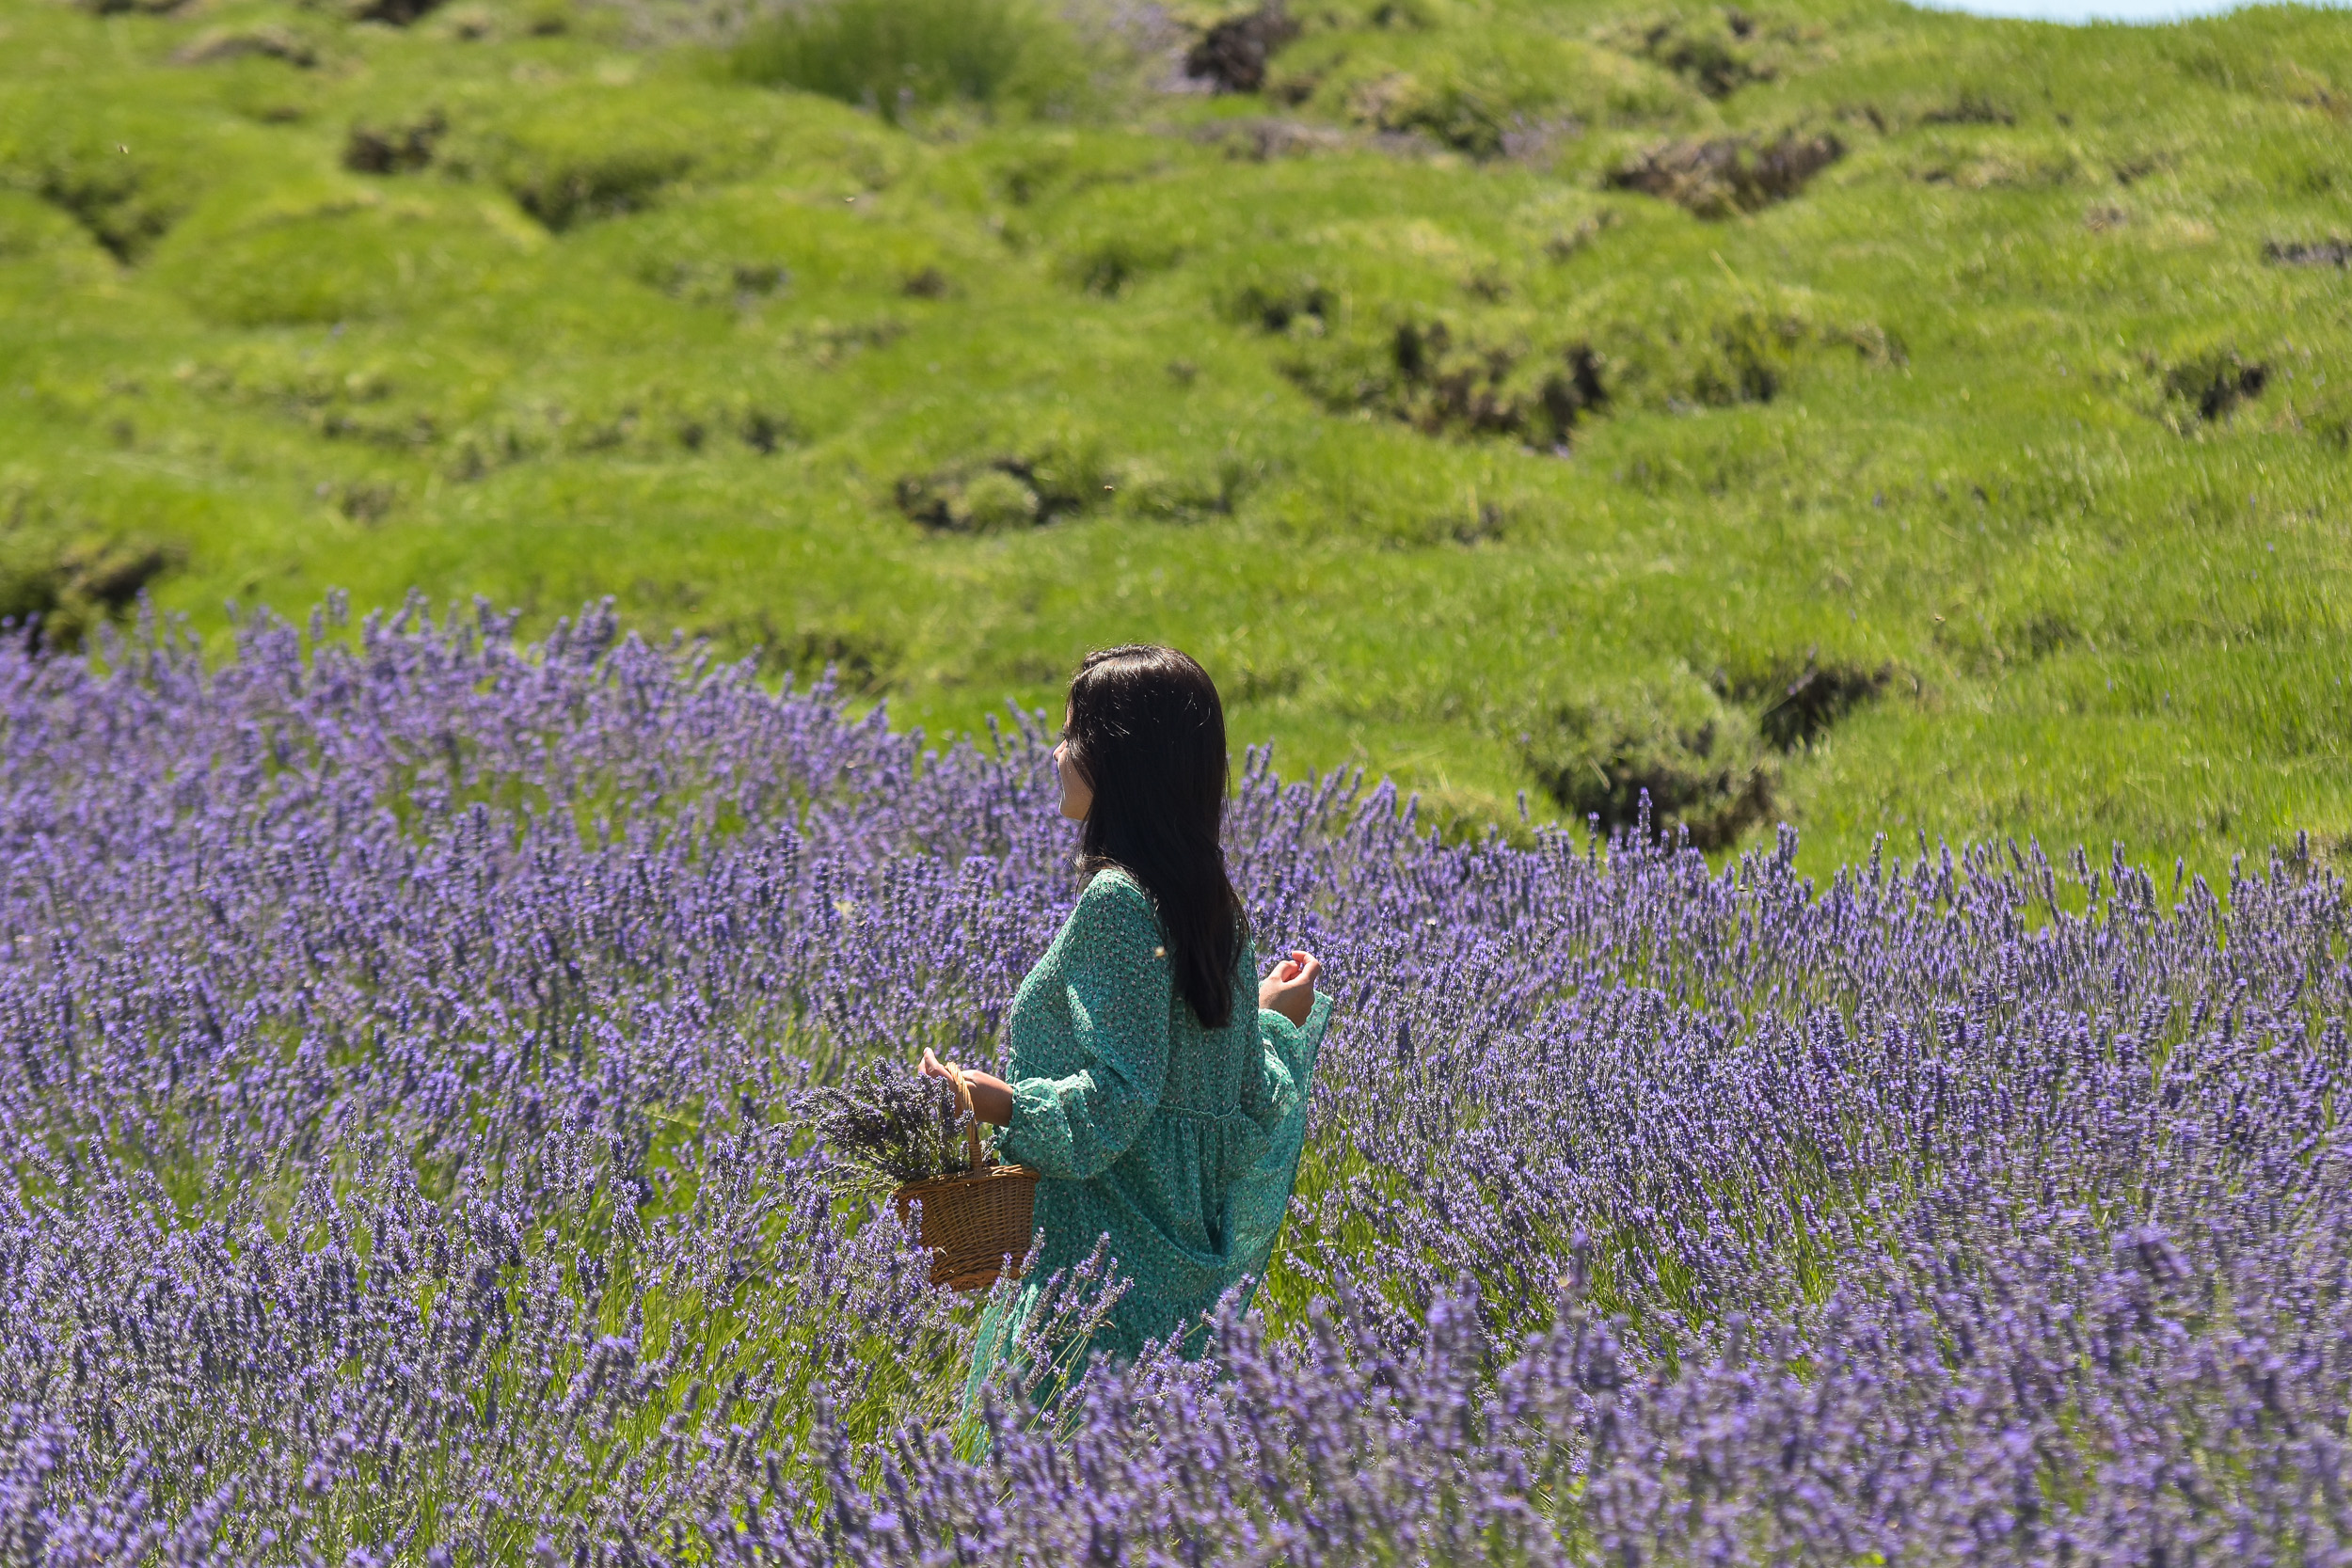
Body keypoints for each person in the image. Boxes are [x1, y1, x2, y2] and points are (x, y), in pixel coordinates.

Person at [917, 643, 1329, 1425]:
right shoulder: (1213, 907)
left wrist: (993, 1099)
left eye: (1073, 734)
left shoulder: (1117, 905)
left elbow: (1116, 1105)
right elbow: (1248, 1108)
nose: (1055, 751)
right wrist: (1270, 1017)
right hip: (1185, 1295)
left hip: (1097, 1285)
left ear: (1121, 761)